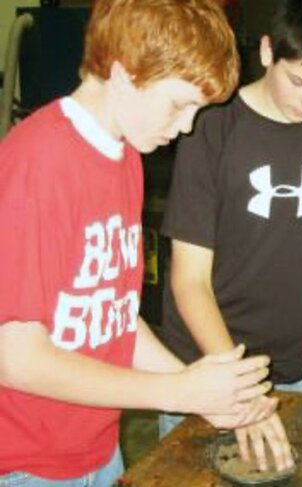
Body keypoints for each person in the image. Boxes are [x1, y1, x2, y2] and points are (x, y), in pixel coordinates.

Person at [0, 0, 278, 485]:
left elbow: (115, 315)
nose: (188, 126)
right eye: (179, 104)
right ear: (124, 74)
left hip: (97, 449)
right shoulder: (38, 166)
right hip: (27, 464)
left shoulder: (126, 157)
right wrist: (175, 395)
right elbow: (13, 357)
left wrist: (198, 393)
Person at [157, 0, 302, 468]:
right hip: (208, 367)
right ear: (269, 51)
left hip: (297, 367)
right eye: (299, 82)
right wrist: (238, 388)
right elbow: (189, 280)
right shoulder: (210, 127)